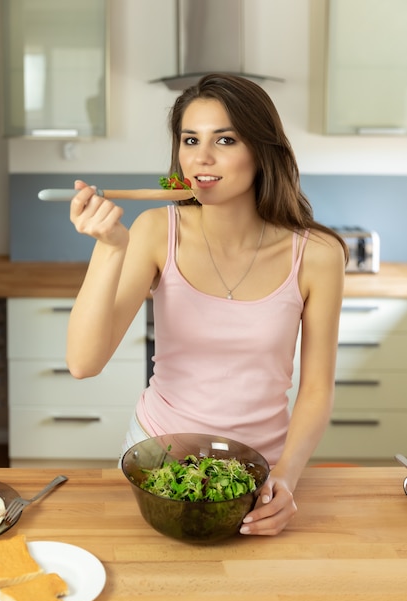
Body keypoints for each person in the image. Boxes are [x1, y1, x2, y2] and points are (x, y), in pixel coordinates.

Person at [67, 73, 347, 536]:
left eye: (226, 139)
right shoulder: (157, 229)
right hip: (157, 455)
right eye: (190, 139)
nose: (202, 158)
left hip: (259, 469)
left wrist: (286, 477)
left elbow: (316, 389)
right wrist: (110, 247)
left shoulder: (317, 254)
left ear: (261, 149)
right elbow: (83, 362)